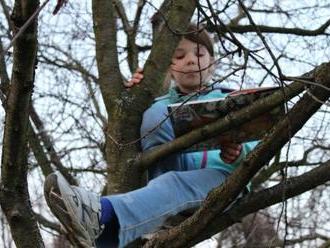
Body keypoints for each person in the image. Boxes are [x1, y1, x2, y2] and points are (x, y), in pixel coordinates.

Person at [44, 24, 257, 248]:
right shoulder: (159, 105)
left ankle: (101, 215)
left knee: (173, 184)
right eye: (179, 56)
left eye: (199, 54)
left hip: (223, 181)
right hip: (167, 184)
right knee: (155, 116)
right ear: (170, 68)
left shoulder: (231, 98)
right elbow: (124, 135)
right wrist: (136, 94)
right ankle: (111, 236)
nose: (191, 61)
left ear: (212, 64)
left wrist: (239, 152)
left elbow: (259, 139)